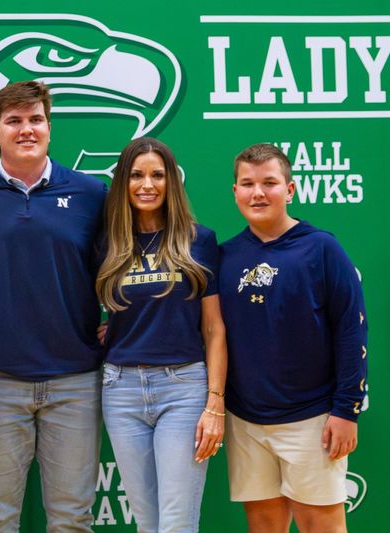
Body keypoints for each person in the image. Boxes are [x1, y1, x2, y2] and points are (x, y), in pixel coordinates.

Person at [0, 80, 106, 532]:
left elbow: (122, 269)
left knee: (71, 521)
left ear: (49, 128)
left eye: (35, 119)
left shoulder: (90, 193)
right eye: (14, 121)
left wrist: (124, 321)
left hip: (75, 381)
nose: (26, 129)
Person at [220, 143, 367, 533]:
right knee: (264, 526)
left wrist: (347, 409)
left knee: (322, 525)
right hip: (246, 419)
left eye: (269, 182)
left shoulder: (322, 248)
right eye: (247, 183)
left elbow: (352, 330)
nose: (258, 193)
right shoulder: (226, 256)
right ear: (235, 191)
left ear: (291, 189)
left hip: (313, 418)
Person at [95, 137, 227, 533]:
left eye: (157, 174)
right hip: (121, 389)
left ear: (172, 181)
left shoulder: (197, 239)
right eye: (136, 175)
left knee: (175, 524)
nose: (146, 184)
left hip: (183, 388)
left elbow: (214, 328)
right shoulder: (107, 242)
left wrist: (214, 403)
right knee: (147, 523)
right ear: (123, 182)